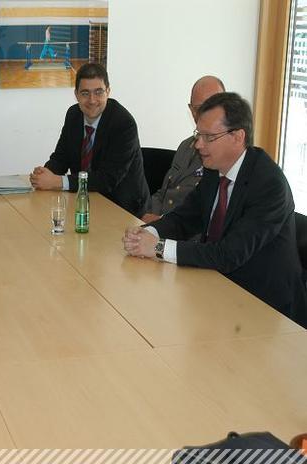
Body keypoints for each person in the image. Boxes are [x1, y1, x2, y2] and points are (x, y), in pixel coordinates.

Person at [123, 92, 307, 328]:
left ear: (238, 137)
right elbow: (185, 218)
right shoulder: (214, 169)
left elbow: (228, 254)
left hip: (266, 310)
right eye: (198, 134)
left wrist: (157, 247)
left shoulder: (269, 184)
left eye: (208, 137)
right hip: (218, 288)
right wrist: (147, 233)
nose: (198, 144)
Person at [30, 63, 150, 217]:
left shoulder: (123, 123)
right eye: (85, 93)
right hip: (83, 200)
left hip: (122, 207)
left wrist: (57, 182)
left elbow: (107, 179)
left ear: (108, 91)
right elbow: (61, 158)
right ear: (76, 94)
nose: (92, 100)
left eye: (98, 92)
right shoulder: (73, 114)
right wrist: (45, 173)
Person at [142, 76, 226, 223]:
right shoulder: (186, 146)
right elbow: (163, 194)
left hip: (182, 232)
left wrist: (160, 221)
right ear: (191, 111)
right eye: (199, 108)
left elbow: (210, 218)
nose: (205, 113)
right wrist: (142, 216)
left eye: (212, 106)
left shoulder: (227, 156)